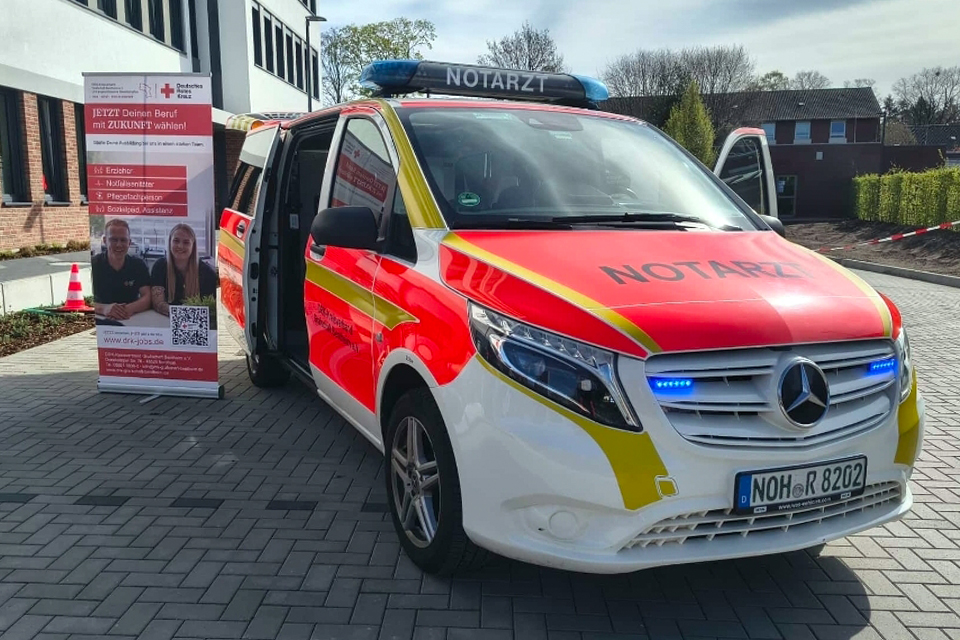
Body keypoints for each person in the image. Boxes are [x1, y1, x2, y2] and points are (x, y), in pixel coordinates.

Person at [151, 223, 218, 315]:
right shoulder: (160, 266)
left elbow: (209, 308)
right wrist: (178, 314)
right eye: (176, 241)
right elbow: (158, 303)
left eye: (186, 242)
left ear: (193, 246)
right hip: (165, 318)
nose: (180, 246)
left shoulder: (207, 273)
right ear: (170, 242)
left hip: (194, 320)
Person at [91, 218, 152, 320]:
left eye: (123, 240)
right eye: (114, 240)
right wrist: (104, 309)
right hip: (100, 319)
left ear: (129, 242)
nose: (119, 245)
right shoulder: (93, 265)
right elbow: (81, 299)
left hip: (131, 318)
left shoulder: (138, 265)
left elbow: (148, 297)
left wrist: (128, 309)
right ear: (105, 241)